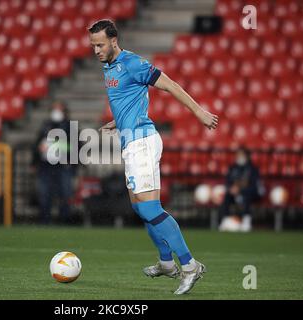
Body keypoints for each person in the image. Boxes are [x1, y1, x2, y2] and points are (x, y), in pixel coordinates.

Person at [89, 20, 219, 295]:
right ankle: (165, 263)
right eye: (93, 46)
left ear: (114, 41)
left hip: (143, 142)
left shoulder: (132, 63)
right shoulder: (109, 67)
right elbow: (130, 97)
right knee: (139, 208)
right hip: (131, 141)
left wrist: (199, 113)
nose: (96, 50)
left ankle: (189, 265)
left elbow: (170, 85)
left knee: (150, 209)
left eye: (100, 44)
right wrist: (118, 120)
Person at [32, 101, 76, 224]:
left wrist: (59, 146)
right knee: (45, 194)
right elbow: (37, 143)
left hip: (63, 166)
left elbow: (76, 146)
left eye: (59, 109)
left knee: (65, 194)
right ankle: (45, 219)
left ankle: (65, 220)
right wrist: (35, 159)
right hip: (46, 166)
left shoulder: (70, 126)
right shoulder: (46, 125)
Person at [219, 147, 263, 232]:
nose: (239, 157)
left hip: (250, 193)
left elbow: (254, 186)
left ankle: (246, 221)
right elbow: (228, 181)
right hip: (234, 192)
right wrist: (231, 189)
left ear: (247, 156)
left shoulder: (252, 169)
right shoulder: (233, 168)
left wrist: (240, 190)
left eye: (241, 155)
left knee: (247, 195)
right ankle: (225, 220)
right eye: (238, 155)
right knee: (227, 196)